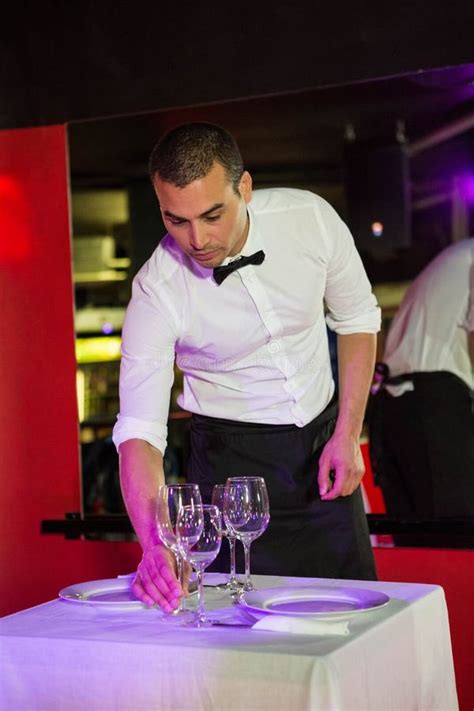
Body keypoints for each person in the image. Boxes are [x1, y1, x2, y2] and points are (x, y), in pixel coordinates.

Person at [113, 122, 381, 611]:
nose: (196, 238)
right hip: (230, 472)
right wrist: (154, 543)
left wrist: (349, 432)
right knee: (239, 644)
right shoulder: (157, 290)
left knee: (351, 622)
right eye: (176, 220)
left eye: (212, 215)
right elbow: (139, 433)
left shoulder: (310, 219)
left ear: (245, 188)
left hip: (325, 451)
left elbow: (358, 318)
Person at [368, 239, 474, 532]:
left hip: (398, 405)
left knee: (416, 537)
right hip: (435, 404)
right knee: (455, 536)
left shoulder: (458, 254)